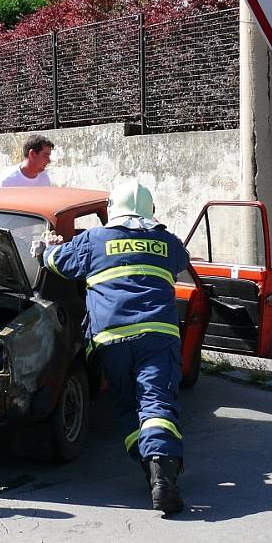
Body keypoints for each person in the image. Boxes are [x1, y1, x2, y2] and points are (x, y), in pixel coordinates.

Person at [40, 180, 190, 514]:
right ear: (150, 211)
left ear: (113, 211)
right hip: (157, 336)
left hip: (111, 339)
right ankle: (161, 474)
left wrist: (47, 247)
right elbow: (183, 258)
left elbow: (57, 262)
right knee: (157, 401)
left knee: (127, 405)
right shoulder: (167, 241)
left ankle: (150, 469)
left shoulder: (94, 239)